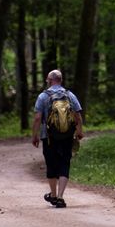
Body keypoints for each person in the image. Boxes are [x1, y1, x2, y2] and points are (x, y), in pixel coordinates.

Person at [31, 69, 84, 208]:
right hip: (67, 135)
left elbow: (37, 118)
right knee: (65, 163)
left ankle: (53, 195)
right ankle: (60, 197)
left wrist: (34, 135)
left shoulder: (43, 96)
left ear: (49, 80)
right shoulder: (70, 95)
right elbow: (78, 115)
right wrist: (79, 131)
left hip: (48, 136)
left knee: (51, 163)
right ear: (61, 80)